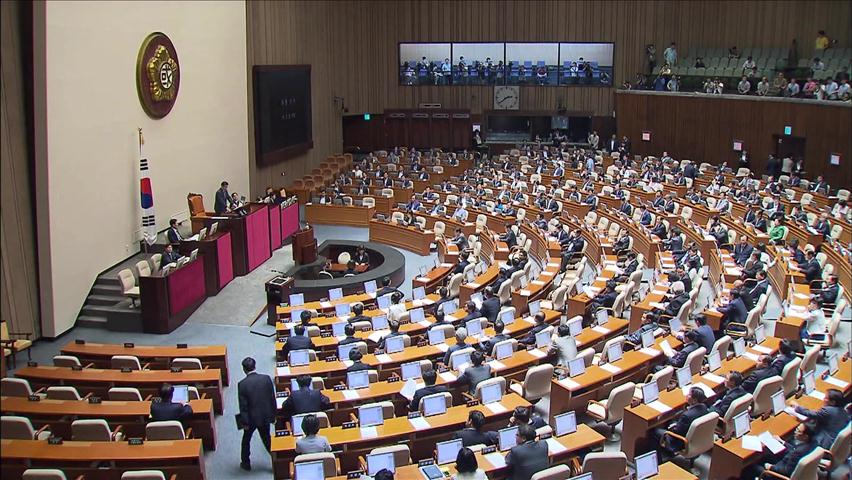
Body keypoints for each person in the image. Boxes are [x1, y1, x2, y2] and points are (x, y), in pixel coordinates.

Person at [237, 357, 276, 471]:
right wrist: (273, 415)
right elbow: (272, 398)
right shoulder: (266, 379)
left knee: (246, 440)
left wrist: (244, 422)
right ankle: (275, 462)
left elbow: (243, 406)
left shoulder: (242, 384)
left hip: (251, 418)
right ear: (255, 366)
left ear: (244, 369)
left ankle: (246, 463)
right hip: (265, 416)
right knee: (267, 440)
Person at [654, 387, 708, 459]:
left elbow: (677, 432)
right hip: (695, 438)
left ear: (694, 400)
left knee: (654, 431)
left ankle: (659, 460)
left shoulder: (687, 416)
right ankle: (667, 452)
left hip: (680, 442)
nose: (686, 395)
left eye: (689, 394)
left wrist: (672, 427)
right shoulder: (704, 407)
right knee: (669, 421)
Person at [750, 423, 818, 479]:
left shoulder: (798, 452)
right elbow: (794, 449)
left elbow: (786, 471)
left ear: (805, 436)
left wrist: (771, 467)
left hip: (779, 475)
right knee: (766, 456)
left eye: (798, 431)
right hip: (791, 464)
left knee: (751, 467)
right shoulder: (813, 443)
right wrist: (783, 442)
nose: (795, 431)